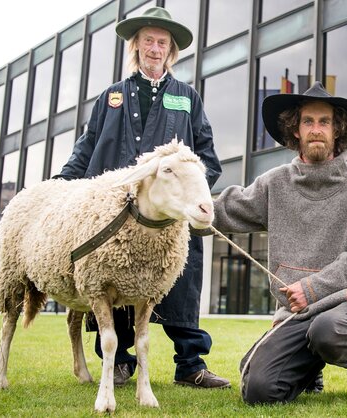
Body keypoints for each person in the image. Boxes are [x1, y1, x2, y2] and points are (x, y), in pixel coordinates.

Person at [55, 7, 228, 389]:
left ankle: (190, 365)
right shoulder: (110, 97)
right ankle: (118, 363)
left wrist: (188, 194)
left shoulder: (187, 98)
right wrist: (61, 184)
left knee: (181, 283)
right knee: (112, 281)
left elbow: (207, 158)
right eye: (148, 40)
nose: (154, 48)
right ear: (136, 45)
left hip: (167, 218)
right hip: (117, 216)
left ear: (171, 51)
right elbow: (85, 150)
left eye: (161, 42)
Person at [211, 82, 347, 404]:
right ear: (294, 130)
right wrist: (180, 205)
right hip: (295, 311)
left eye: (324, 121)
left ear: (338, 129)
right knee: (258, 392)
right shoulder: (275, 183)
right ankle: (310, 366)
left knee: (329, 331)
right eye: (307, 121)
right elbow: (224, 211)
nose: (316, 130)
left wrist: (312, 288)